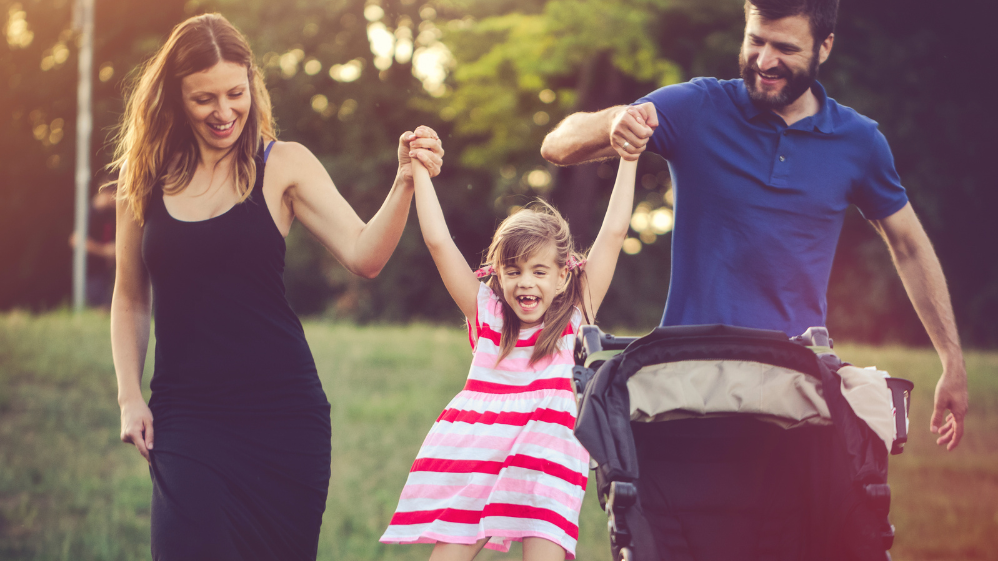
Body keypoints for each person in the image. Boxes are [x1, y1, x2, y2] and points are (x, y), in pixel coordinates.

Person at [540, 0, 968, 451]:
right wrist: (614, 122)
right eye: (755, 41)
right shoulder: (697, 107)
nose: (764, 61)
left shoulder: (858, 142)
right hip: (688, 385)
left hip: (796, 391)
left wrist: (952, 362)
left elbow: (909, 245)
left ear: (824, 47)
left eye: (784, 47)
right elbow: (556, 145)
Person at [108, 13, 444, 560]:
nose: (224, 113)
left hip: (283, 419)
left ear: (252, 85)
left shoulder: (282, 165)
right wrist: (128, 397)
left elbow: (366, 256)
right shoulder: (143, 178)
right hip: (186, 417)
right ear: (174, 98)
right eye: (204, 99)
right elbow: (129, 297)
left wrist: (404, 181)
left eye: (235, 93)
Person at [379, 116, 643, 561]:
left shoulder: (578, 312)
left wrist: (629, 157)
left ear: (563, 276)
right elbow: (439, 242)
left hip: (547, 454)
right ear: (497, 273)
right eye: (514, 271)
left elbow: (614, 232)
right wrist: (419, 170)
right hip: (477, 450)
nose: (526, 283)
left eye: (540, 272)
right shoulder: (487, 312)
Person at [69, 181, 117, 309]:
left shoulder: (110, 214)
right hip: (90, 273)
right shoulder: (89, 212)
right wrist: (104, 251)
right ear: (107, 193)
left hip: (105, 273)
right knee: (98, 309)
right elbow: (76, 240)